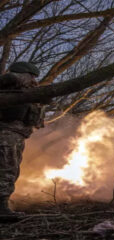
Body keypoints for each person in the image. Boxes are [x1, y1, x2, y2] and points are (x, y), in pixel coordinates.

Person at [0, 62, 45, 217]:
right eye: (31, 76)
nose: (34, 80)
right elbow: (8, 78)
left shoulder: (27, 92)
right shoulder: (9, 83)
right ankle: (1, 208)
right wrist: (18, 78)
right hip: (6, 134)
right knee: (6, 169)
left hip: (16, 135)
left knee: (11, 169)